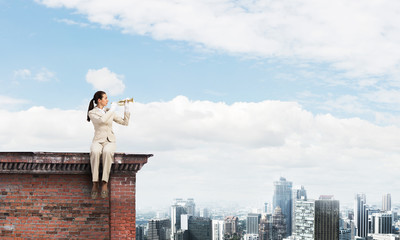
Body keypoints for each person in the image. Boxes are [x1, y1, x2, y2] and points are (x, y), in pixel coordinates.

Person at [87, 91, 130, 199]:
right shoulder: (92, 112)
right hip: (98, 140)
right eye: (105, 98)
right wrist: (112, 110)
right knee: (95, 152)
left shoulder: (108, 111)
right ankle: (95, 182)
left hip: (110, 140)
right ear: (99, 100)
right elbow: (102, 121)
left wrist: (126, 108)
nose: (107, 100)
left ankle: (104, 182)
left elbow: (125, 122)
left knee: (107, 152)